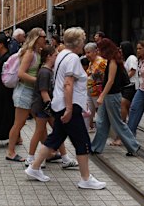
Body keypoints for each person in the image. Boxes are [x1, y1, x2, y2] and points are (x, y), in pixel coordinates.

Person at [25, 27, 106, 190]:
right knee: (82, 141)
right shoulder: (73, 59)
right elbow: (68, 84)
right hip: (69, 106)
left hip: (60, 105)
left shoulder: (61, 54)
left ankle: (33, 168)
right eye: (83, 40)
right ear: (78, 42)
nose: (84, 43)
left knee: (55, 139)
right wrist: (70, 109)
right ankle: (85, 178)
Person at [26, 45, 78, 168]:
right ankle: (30, 158)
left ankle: (65, 158)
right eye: (55, 55)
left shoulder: (49, 71)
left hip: (47, 108)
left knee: (58, 131)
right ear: (49, 57)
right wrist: (51, 107)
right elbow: (44, 92)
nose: (57, 57)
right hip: (43, 107)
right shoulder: (44, 72)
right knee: (39, 131)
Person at [91, 38, 141, 156]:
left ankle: (133, 145)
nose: (98, 51)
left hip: (112, 96)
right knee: (101, 121)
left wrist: (101, 96)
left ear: (105, 49)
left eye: (99, 49)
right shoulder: (112, 60)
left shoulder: (113, 61)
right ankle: (96, 147)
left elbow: (111, 81)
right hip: (109, 95)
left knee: (117, 123)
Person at [6, 28, 46, 162]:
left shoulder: (38, 53)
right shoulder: (29, 53)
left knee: (41, 123)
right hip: (24, 92)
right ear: (36, 38)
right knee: (19, 123)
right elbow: (21, 74)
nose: (45, 39)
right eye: (43, 36)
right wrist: (39, 81)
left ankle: (49, 151)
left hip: (32, 93)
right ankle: (10, 152)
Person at [83, 43, 107, 132]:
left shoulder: (101, 62)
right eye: (86, 53)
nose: (87, 55)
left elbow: (99, 78)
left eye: (89, 52)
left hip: (97, 93)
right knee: (87, 113)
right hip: (90, 91)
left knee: (100, 114)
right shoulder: (91, 62)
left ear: (95, 52)